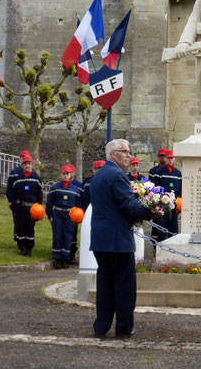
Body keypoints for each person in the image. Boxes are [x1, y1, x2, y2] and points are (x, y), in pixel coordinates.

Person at [89, 139, 154, 338]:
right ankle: (124, 327)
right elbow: (128, 206)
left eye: (128, 151)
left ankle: (101, 325)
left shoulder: (99, 175)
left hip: (101, 239)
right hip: (117, 241)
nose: (128, 155)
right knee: (125, 287)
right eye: (124, 151)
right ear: (112, 154)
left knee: (105, 284)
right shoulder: (117, 175)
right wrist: (151, 210)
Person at [6, 154, 43, 257]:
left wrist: (39, 208)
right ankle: (22, 247)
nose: (27, 166)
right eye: (25, 164)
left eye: (29, 164)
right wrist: (12, 204)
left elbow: (39, 195)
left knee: (30, 227)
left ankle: (29, 248)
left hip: (32, 208)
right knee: (20, 227)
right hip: (20, 207)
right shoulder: (17, 179)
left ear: (32, 165)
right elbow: (12, 192)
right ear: (22, 165)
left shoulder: (36, 179)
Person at [46, 164, 82, 269]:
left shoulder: (76, 190)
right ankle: (57, 258)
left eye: (68, 174)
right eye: (64, 174)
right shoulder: (55, 188)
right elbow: (49, 203)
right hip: (58, 214)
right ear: (61, 174)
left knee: (68, 236)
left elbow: (78, 205)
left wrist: (77, 218)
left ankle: (65, 258)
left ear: (70, 175)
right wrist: (50, 215)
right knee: (57, 236)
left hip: (69, 215)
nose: (66, 176)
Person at [153, 149, 182, 242]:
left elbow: (180, 189)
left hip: (174, 204)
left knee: (173, 226)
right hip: (162, 204)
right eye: (168, 158)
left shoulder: (178, 173)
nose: (170, 160)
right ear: (165, 159)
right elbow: (155, 187)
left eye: (172, 158)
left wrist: (179, 204)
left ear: (174, 159)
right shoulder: (159, 172)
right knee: (162, 226)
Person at [7, 150, 32, 248]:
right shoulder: (14, 173)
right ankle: (18, 240)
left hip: (29, 203)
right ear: (20, 159)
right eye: (22, 157)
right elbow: (9, 188)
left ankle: (27, 240)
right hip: (17, 202)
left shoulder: (33, 173)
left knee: (28, 223)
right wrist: (10, 200)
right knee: (18, 222)